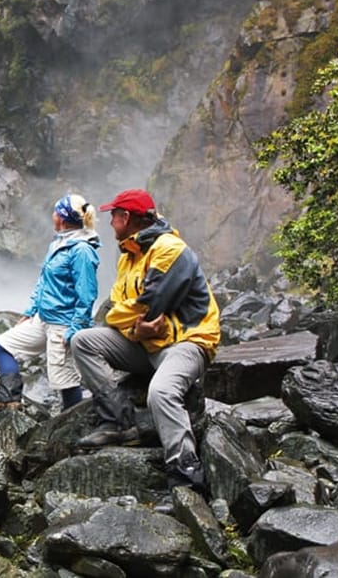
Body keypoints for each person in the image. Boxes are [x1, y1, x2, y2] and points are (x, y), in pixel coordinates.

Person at [68, 188, 220, 493]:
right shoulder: (128, 254)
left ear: (127, 218)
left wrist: (126, 321)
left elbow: (150, 304)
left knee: (161, 392)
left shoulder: (171, 249)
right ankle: (118, 423)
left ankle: (186, 476)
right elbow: (117, 307)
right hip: (145, 343)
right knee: (83, 341)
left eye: (113, 216)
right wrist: (134, 330)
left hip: (186, 343)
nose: (109, 222)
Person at [0, 194, 100, 413]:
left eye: (55, 212)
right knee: (3, 345)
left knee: (65, 380)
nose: (52, 216)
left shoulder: (81, 250)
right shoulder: (59, 243)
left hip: (63, 323)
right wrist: (31, 310)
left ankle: (72, 428)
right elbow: (43, 281)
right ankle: (9, 400)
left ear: (62, 218)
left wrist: (75, 329)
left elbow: (87, 295)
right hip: (43, 318)